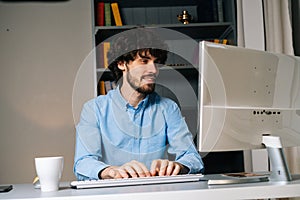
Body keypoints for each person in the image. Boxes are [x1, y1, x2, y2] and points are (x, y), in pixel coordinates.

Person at [74, 28, 204, 180]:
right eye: (144, 61)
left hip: (157, 193)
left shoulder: (168, 108)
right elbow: (83, 162)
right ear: (122, 63)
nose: (153, 70)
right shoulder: (94, 109)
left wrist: (179, 166)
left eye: (156, 63)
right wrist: (111, 171)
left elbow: (193, 158)